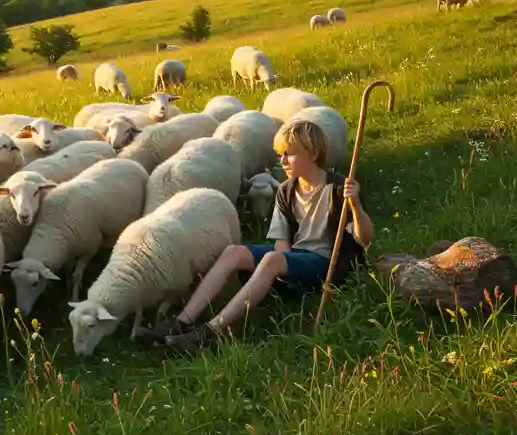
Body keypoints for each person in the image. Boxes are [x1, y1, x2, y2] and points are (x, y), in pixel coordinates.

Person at [139, 116, 374, 354]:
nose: (282, 160)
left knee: (271, 260)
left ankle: (210, 332)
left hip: (329, 264)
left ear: (312, 154)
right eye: (280, 154)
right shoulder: (286, 190)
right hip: (297, 257)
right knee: (235, 252)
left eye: (289, 154)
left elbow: (364, 240)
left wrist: (355, 205)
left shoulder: (339, 189)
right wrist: (283, 271)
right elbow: (282, 244)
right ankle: (181, 322)